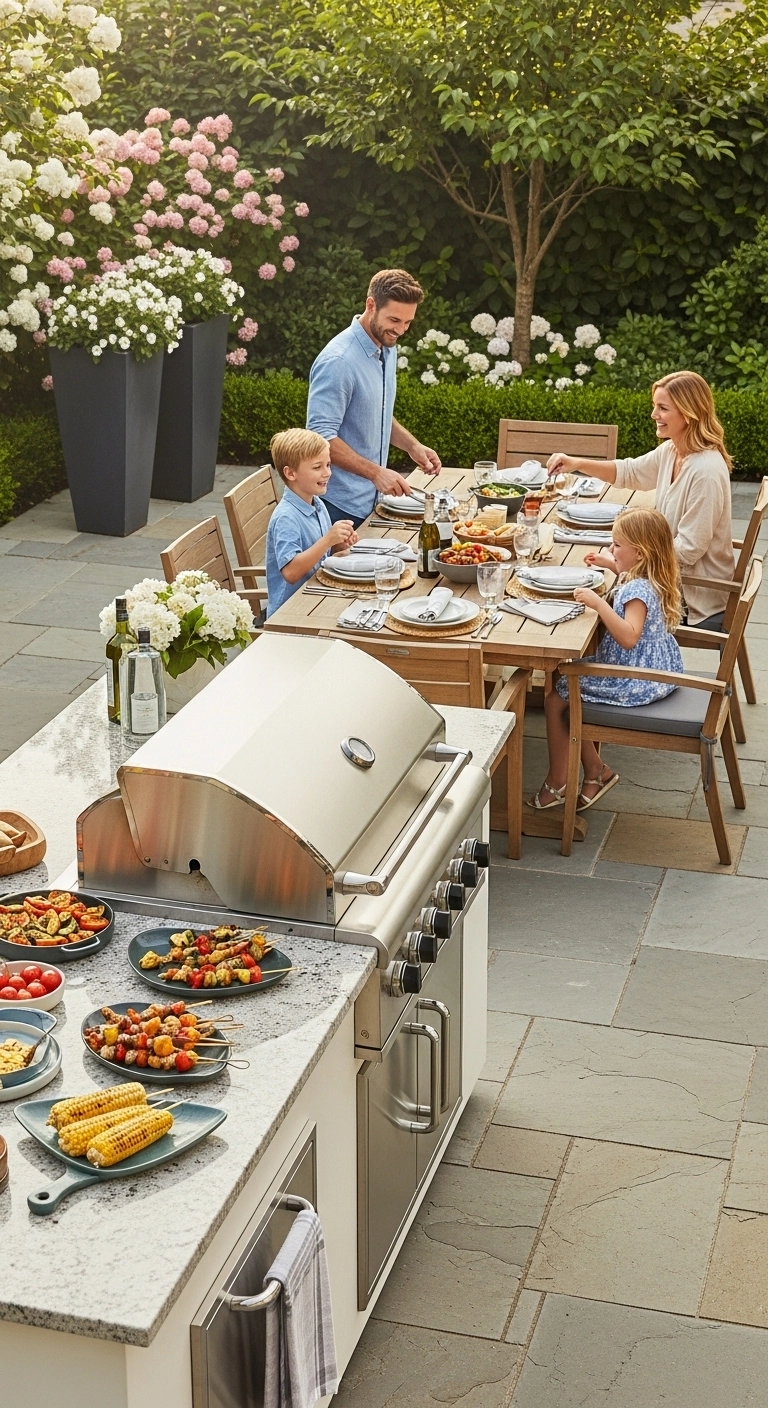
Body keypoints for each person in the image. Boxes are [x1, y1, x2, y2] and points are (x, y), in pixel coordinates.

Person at [546, 370, 733, 628]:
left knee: (590, 609)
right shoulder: (672, 450)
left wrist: (625, 562)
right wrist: (576, 463)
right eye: (655, 406)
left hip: (691, 595)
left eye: (663, 408)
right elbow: (629, 472)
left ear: (688, 414)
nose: (654, 414)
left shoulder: (706, 472)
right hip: (666, 575)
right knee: (587, 590)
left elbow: (688, 550)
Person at [530, 508, 685, 812]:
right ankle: (596, 771)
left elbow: (629, 636)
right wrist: (610, 564)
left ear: (639, 553)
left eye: (616, 545)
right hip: (653, 670)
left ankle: (558, 782)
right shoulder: (648, 575)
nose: (611, 549)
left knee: (556, 699)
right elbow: (630, 578)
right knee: (565, 683)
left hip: (634, 679)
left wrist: (598, 603)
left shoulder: (637, 590)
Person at [306, 268, 442, 528]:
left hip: (371, 502)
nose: (400, 330)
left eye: (407, 322)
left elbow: (376, 413)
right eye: (394, 320)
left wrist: (412, 446)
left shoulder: (386, 347)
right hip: (336, 506)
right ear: (371, 305)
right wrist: (376, 473)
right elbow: (320, 437)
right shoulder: (339, 361)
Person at [265, 428, 358, 617]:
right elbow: (291, 572)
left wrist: (338, 543)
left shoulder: (317, 503)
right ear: (291, 473)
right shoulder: (286, 518)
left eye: (328, 465)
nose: (327, 473)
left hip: (316, 598)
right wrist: (327, 540)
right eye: (317, 467)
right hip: (290, 614)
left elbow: (321, 554)